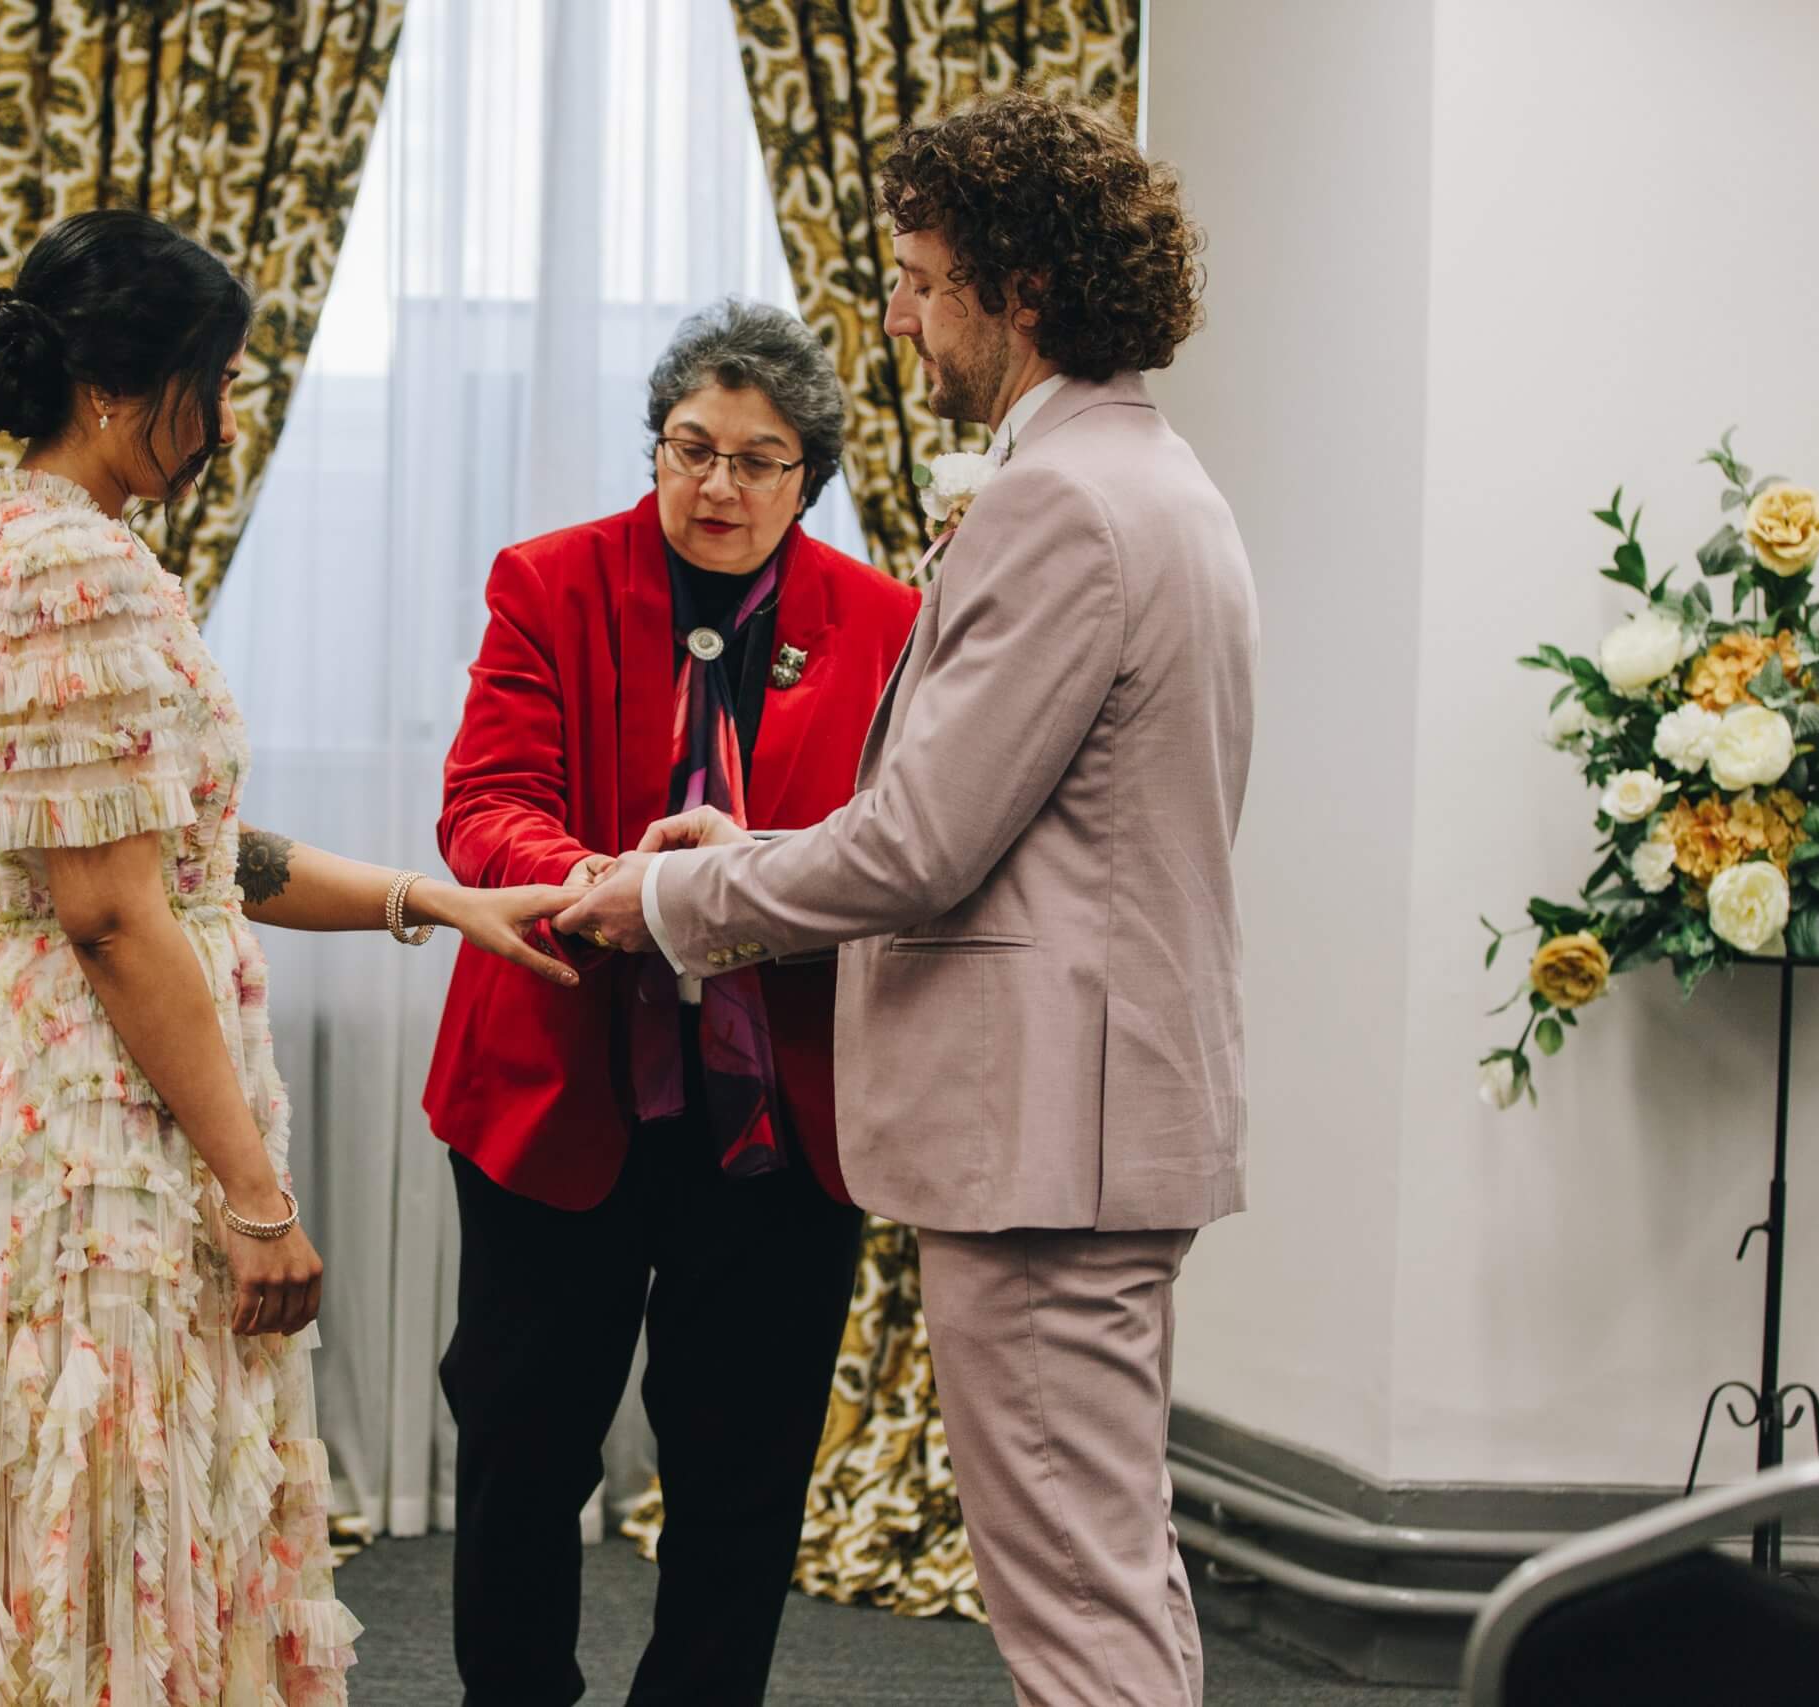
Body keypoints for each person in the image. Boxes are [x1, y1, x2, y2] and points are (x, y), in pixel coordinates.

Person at [0, 208, 581, 1707]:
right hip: (93, 1105)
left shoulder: (26, 537)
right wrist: (257, 1195)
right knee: (107, 1496)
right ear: (117, 385)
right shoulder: (73, 568)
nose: (226, 422)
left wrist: (432, 902)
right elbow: (110, 911)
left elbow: (179, 855)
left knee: (81, 1492)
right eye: (215, 382)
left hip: (71, 1071)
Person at [561, 91, 1255, 1707]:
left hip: (1048, 1145)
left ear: (1019, 292)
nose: (898, 312)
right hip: (1103, 1118)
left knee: (1074, 1610)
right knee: (1113, 1572)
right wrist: (740, 846)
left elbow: (916, 849)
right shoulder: (1156, 478)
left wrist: (672, 901)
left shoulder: (1056, 503)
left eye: (923, 276)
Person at [426, 299, 921, 1706]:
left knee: (743, 1462)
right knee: (525, 1440)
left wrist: (738, 896)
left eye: (759, 459)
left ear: (807, 476)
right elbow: (483, 806)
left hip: (782, 1116)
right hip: (557, 1085)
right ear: (654, 453)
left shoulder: (887, 624)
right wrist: (599, 883)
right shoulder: (549, 581)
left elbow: (901, 845)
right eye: (690, 448)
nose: (717, 486)